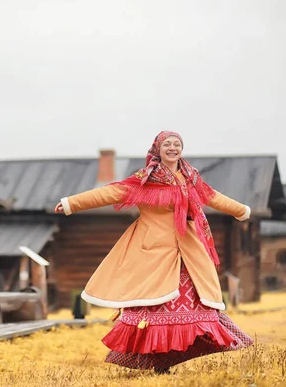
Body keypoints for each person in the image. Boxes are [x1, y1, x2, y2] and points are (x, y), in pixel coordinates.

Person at [54, 131, 254, 373]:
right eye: (167, 144)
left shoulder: (191, 179)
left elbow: (213, 197)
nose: (172, 148)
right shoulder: (144, 180)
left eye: (177, 144)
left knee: (194, 307)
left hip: (188, 254)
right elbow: (110, 192)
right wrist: (71, 203)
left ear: (182, 149)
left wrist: (240, 210)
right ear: (158, 149)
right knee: (154, 308)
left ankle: (175, 357)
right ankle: (156, 363)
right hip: (154, 253)